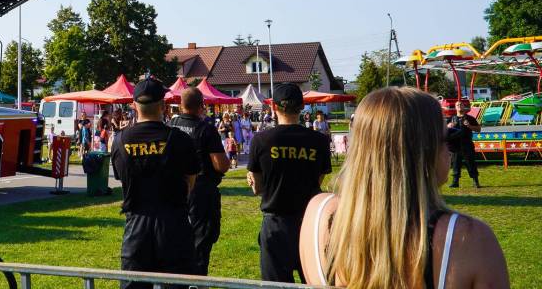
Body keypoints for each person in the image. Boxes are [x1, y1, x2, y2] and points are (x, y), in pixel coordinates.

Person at [299, 87, 509, 289]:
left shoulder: (318, 215)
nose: (449, 150)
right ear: (424, 151)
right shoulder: (468, 238)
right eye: (446, 140)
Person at [112, 78, 199, 288]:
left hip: (136, 225)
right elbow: (191, 182)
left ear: (134, 105)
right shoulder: (180, 140)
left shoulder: (120, 140)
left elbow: (123, 178)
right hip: (173, 222)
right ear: (163, 105)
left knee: (135, 283)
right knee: (177, 283)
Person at [247, 83, 331, 283]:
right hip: (309, 222)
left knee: (276, 285)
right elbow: (318, 179)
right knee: (315, 282)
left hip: (275, 223)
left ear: (274, 107)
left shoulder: (261, 140)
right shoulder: (319, 141)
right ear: (302, 107)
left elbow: (257, 188)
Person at [169, 87, 228, 275]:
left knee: (176, 239)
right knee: (201, 242)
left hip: (174, 188)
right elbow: (220, 165)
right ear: (201, 105)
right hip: (201, 190)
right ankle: (197, 279)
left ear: (181, 105)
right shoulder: (206, 129)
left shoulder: (171, 126)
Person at [447, 100, 481, 189]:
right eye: (457, 105)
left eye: (461, 104)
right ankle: (455, 182)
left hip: (467, 144)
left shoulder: (470, 118)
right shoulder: (451, 119)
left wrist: (470, 126)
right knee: (455, 164)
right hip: (455, 146)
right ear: (455, 107)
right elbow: (443, 131)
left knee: (471, 163)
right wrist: (448, 126)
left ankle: (475, 181)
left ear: (464, 107)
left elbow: (478, 129)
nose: (459, 106)